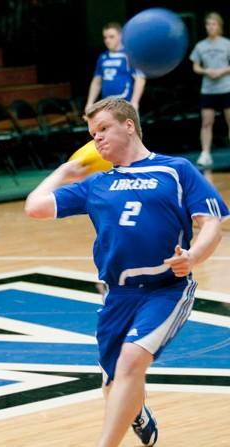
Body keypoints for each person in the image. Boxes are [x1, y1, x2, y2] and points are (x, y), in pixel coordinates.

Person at [25, 97, 227, 447]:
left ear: (129, 125)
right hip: (117, 294)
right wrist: (64, 172)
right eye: (92, 133)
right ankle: (137, 411)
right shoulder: (97, 184)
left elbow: (213, 222)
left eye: (103, 129)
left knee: (132, 360)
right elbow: (35, 208)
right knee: (114, 383)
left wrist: (193, 256)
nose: (96, 139)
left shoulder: (175, 170)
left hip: (166, 288)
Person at [189, 12, 230, 169]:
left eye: (213, 24)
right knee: (207, 122)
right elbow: (196, 66)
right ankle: (205, 153)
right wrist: (207, 71)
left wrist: (223, 71)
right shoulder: (201, 46)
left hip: (226, 87)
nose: (210, 27)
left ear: (219, 26)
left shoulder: (226, 44)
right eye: (208, 24)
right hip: (208, 89)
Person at [85, 22, 145, 114]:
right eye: (105, 37)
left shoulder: (129, 55)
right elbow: (97, 82)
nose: (107, 40)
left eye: (111, 37)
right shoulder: (103, 57)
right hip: (107, 104)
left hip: (125, 103)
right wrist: (89, 103)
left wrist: (135, 102)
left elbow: (140, 79)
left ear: (120, 36)